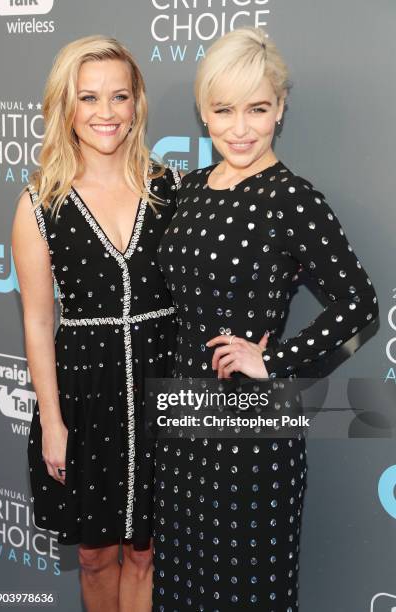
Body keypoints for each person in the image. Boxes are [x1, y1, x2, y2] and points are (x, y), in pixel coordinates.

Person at [153, 27, 379, 610]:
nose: (240, 127)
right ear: (204, 112)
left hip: (252, 426)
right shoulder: (189, 189)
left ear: (279, 108)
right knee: (182, 582)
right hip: (182, 419)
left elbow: (359, 301)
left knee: (248, 585)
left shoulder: (293, 198)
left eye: (257, 108)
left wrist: (271, 360)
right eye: (224, 109)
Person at [12, 35, 180, 612]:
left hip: (161, 386)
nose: (105, 113)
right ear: (67, 107)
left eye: (119, 96)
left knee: (146, 552)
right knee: (95, 555)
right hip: (87, 395)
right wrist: (53, 422)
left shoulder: (171, 189)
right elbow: (37, 321)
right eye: (89, 98)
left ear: (137, 104)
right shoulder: (41, 201)